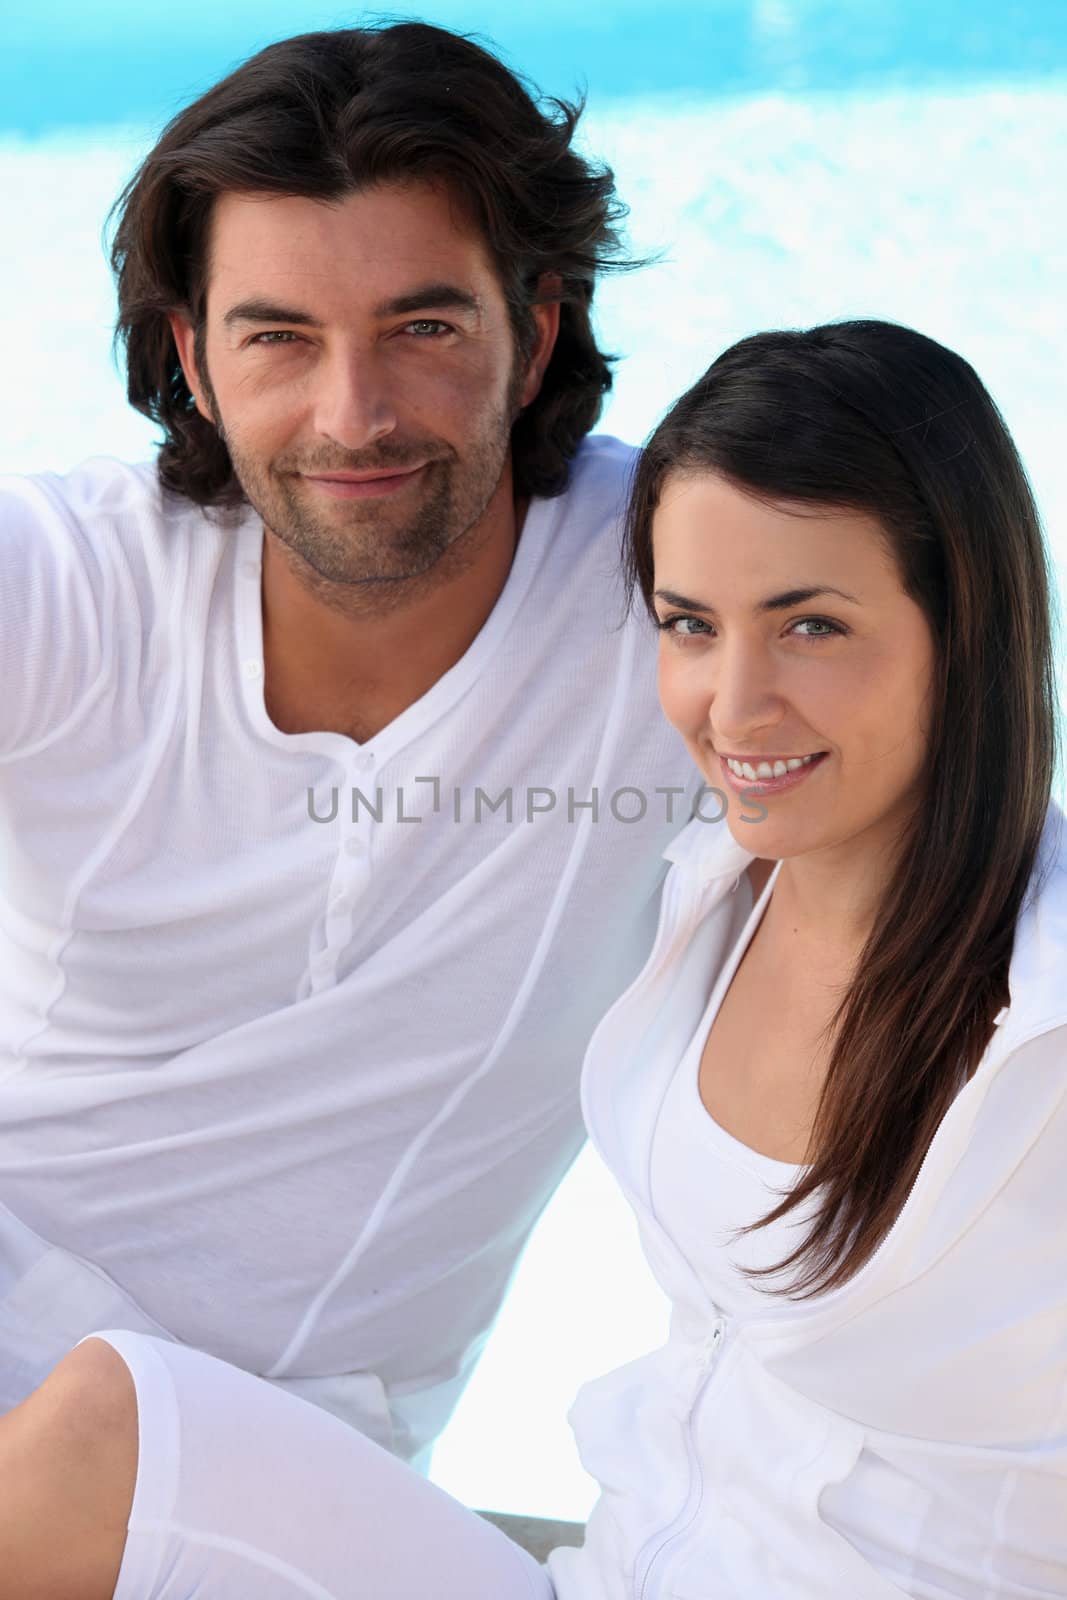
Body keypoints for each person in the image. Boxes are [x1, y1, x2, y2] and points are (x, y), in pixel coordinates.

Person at [3, 317, 1063, 1600]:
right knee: (115, 1428)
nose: (733, 705)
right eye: (686, 624)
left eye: (811, 627)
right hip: (599, 1579)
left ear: (964, 619)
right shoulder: (711, 895)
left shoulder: (1042, 1033)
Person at [0, 20, 696, 1473]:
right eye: (279, 337)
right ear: (192, 355)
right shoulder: (76, 580)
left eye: (421, 328)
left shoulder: (683, 601)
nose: (352, 414)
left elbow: (964, 840)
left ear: (536, 332)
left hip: (282, 1468)